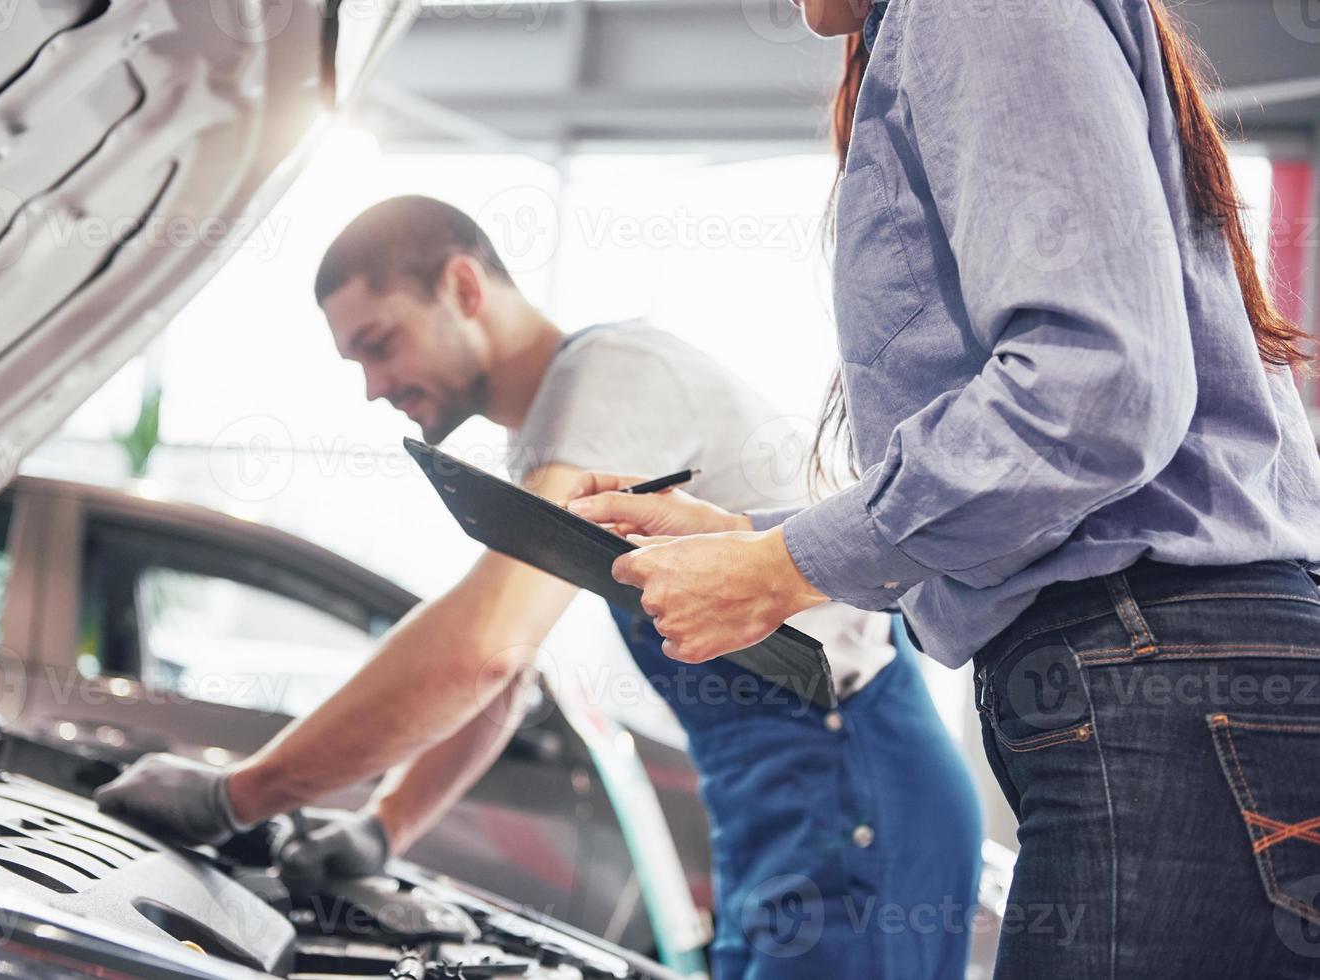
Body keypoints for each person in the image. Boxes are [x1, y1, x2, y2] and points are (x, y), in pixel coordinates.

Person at [565, 1, 1320, 977]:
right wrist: (756, 539)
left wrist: (785, 565)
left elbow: (1093, 387)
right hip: (1162, 670)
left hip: (1156, 674)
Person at [95, 195, 984, 978]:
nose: (371, 388)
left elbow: (485, 645)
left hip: (853, 782)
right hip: (776, 796)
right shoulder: (561, 434)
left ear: (464, 287)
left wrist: (236, 795)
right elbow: (512, 670)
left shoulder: (614, 381)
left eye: (379, 344)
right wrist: (384, 825)